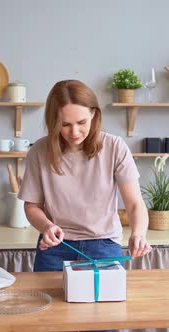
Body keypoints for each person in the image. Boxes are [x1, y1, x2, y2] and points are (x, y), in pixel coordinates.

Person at [18, 79, 152, 272]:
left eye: (81, 122)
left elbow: (134, 203)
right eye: (65, 124)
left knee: (109, 302)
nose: (74, 132)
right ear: (53, 122)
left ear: (93, 114)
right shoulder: (39, 151)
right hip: (56, 246)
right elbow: (32, 206)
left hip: (104, 246)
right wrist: (47, 227)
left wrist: (138, 234)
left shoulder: (115, 147)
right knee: (53, 303)